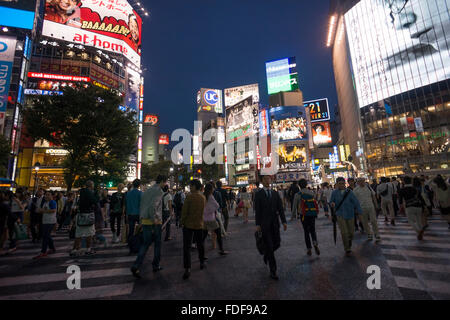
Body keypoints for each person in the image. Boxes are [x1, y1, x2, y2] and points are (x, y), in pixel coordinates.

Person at [130, 175, 167, 278]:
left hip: (145, 221)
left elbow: (143, 205)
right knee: (157, 245)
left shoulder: (147, 191)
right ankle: (155, 265)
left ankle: (136, 265)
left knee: (145, 244)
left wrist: (142, 220)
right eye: (165, 182)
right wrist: (154, 219)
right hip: (154, 222)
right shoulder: (159, 191)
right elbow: (153, 206)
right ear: (162, 182)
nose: (165, 184)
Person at [254, 175, 287, 280]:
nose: (267, 181)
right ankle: (273, 271)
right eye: (265, 179)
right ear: (262, 181)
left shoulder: (275, 193)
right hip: (264, 224)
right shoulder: (258, 194)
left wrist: (284, 221)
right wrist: (258, 224)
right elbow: (257, 211)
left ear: (271, 180)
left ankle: (266, 255)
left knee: (277, 243)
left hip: (275, 223)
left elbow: (280, 208)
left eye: (269, 179)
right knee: (269, 245)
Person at [330, 177, 363, 257]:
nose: (341, 185)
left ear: (345, 183)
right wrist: (332, 204)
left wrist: (359, 213)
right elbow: (331, 201)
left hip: (350, 213)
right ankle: (347, 248)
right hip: (340, 214)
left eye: (342, 183)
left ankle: (349, 241)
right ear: (337, 184)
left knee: (351, 232)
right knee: (344, 232)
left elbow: (356, 203)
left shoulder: (350, 192)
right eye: (339, 184)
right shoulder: (334, 193)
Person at [181, 179, 206, 280]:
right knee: (200, 244)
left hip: (188, 225)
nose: (190, 188)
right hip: (199, 224)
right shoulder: (203, 198)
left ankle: (187, 268)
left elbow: (184, 212)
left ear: (195, 186)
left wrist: (182, 222)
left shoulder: (189, 197)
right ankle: (202, 262)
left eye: (191, 186)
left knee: (187, 247)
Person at [292, 179, 320, 256]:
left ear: (299, 185)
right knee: (313, 230)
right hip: (312, 214)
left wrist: (292, 216)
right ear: (306, 184)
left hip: (303, 215)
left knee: (306, 231)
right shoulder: (311, 192)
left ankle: (309, 248)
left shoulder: (298, 194)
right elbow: (316, 201)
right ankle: (315, 243)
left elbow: (294, 206)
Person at [70, 180, 97, 256]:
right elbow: (95, 201)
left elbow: (75, 205)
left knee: (78, 233)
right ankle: (88, 249)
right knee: (89, 233)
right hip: (88, 215)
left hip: (80, 215)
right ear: (91, 186)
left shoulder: (79, 193)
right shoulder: (90, 193)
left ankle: (75, 249)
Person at [203, 183, 228, 255]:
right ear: (211, 189)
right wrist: (211, 210)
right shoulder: (210, 196)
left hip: (204, 219)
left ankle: (201, 252)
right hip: (211, 219)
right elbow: (217, 205)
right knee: (218, 233)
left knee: (203, 237)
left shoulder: (203, 196)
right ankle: (221, 250)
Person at [353, 178, 381, 242]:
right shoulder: (355, 190)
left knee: (373, 221)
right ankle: (369, 234)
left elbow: (373, 196)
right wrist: (356, 209)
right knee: (364, 222)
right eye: (359, 181)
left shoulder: (368, 187)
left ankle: (377, 234)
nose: (361, 182)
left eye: (362, 181)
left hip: (371, 207)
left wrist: (376, 205)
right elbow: (354, 201)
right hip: (361, 208)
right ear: (357, 182)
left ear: (364, 181)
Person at [33, 191, 57, 259]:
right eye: (45, 195)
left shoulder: (52, 202)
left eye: (48, 195)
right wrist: (40, 210)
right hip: (45, 221)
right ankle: (52, 248)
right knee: (47, 236)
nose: (46, 196)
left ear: (52, 196)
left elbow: (53, 210)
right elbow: (44, 210)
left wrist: (42, 210)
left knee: (45, 236)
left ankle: (43, 251)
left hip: (50, 221)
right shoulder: (45, 202)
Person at [125, 179, 142, 252]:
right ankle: (138, 244)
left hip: (130, 214)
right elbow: (141, 204)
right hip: (138, 214)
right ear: (139, 185)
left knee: (131, 231)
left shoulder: (128, 193)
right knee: (140, 230)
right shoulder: (140, 193)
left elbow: (126, 205)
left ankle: (130, 246)